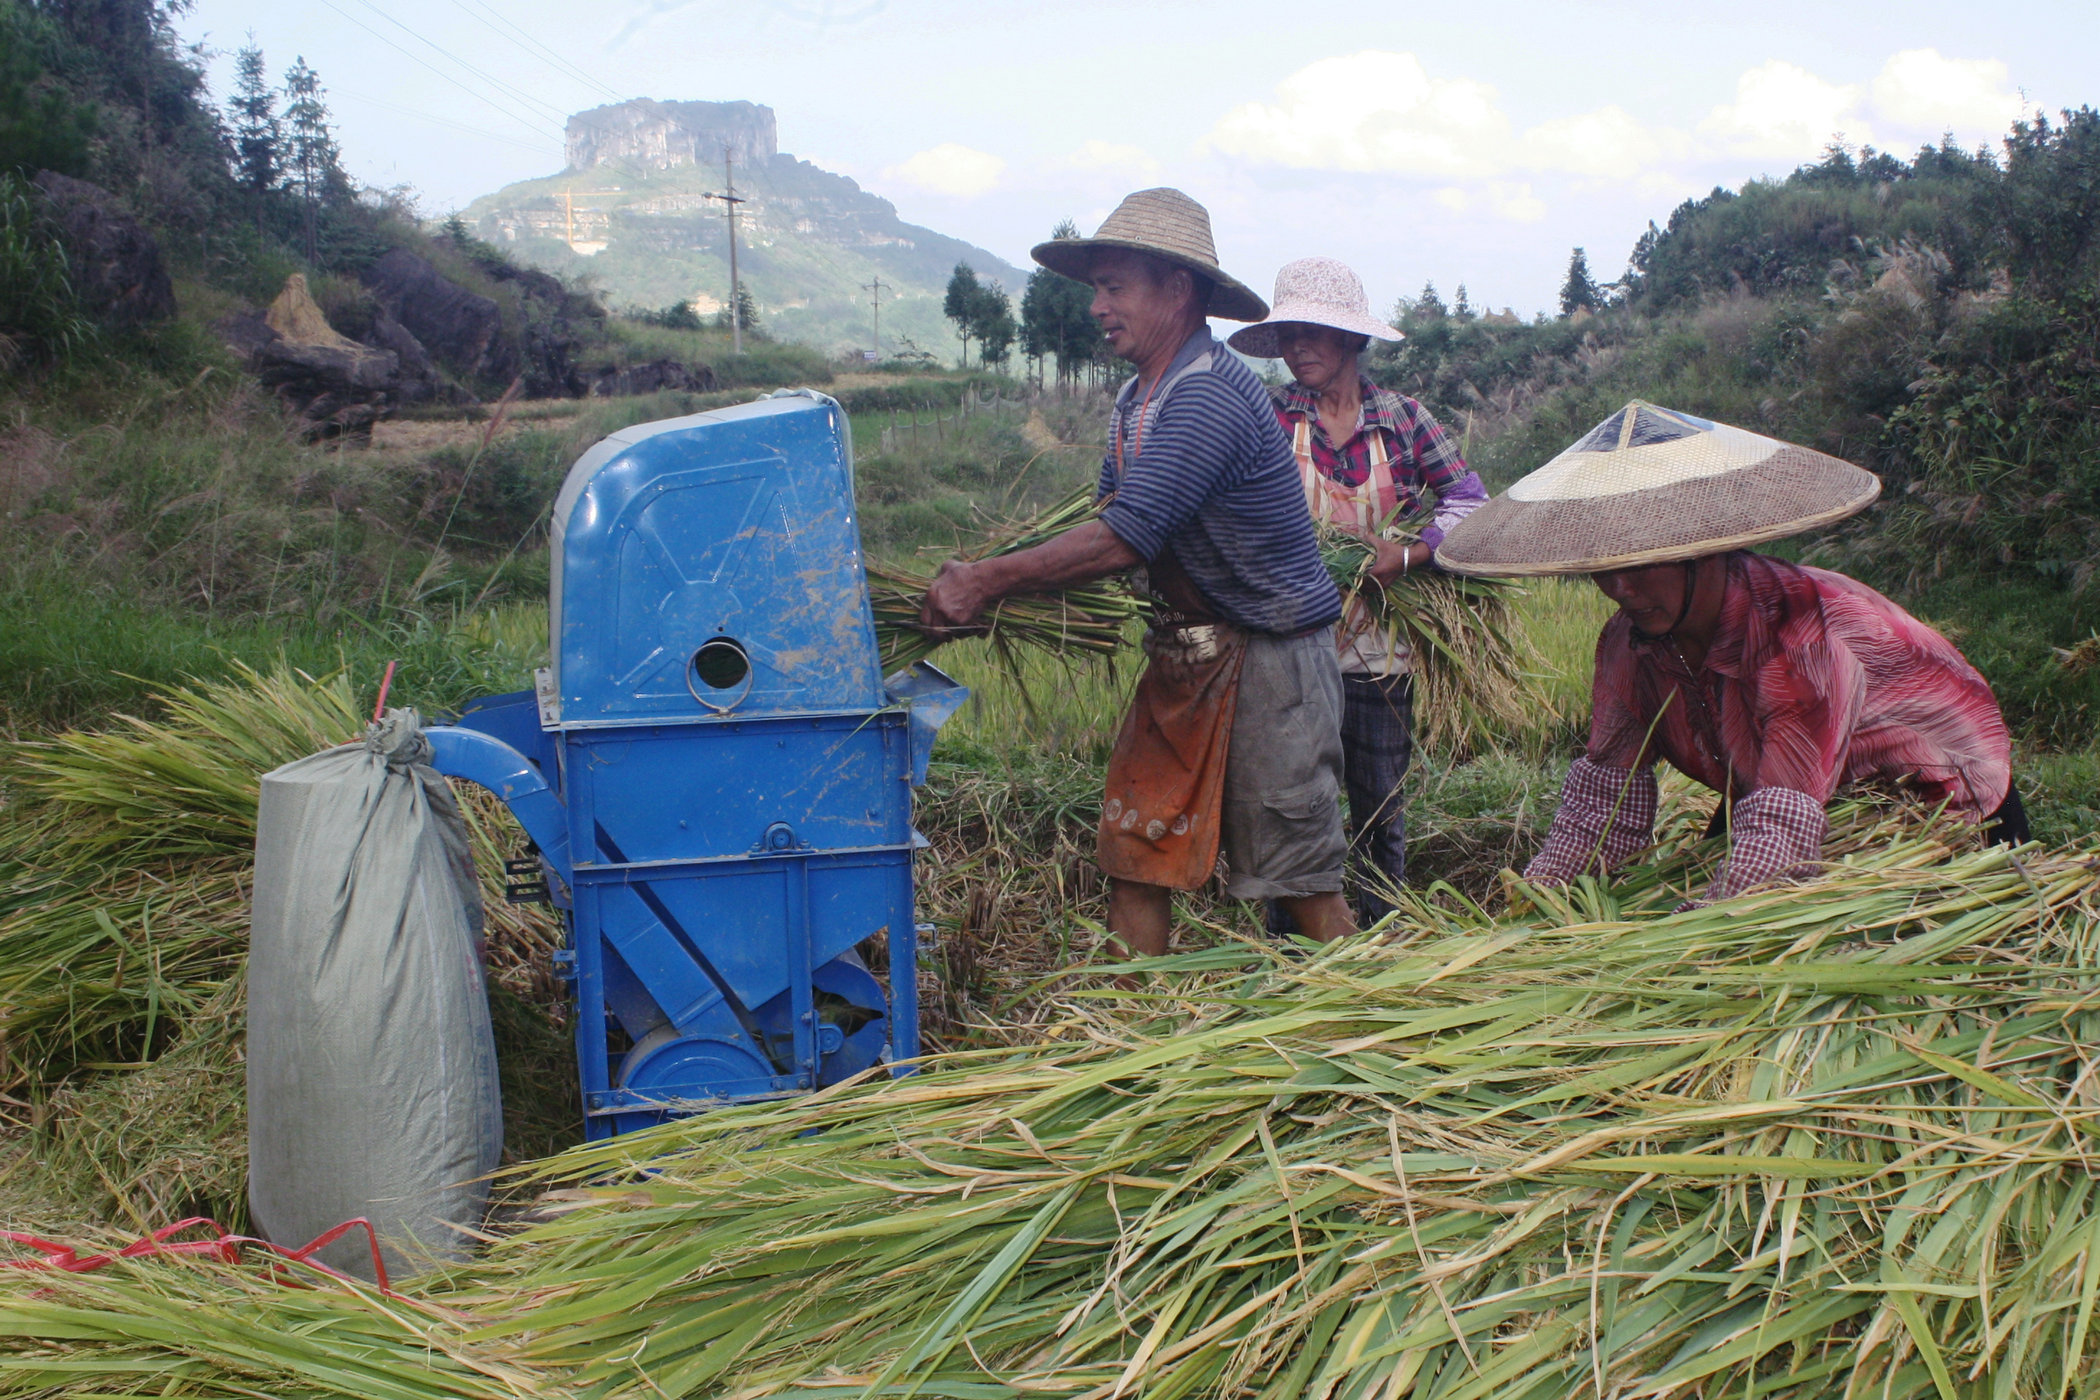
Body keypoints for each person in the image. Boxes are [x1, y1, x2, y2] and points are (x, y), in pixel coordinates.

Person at [919, 188, 1355, 959]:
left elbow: (1126, 535)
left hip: (1271, 660)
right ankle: (1126, 1033)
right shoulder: (1135, 400)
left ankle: (1381, 1020)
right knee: (1136, 852)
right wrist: (1015, 583)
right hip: (1185, 656)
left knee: (1298, 874)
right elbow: (1113, 515)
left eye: (1114, 286)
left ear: (1177, 290)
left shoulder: (1210, 395)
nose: (1096, 306)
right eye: (1096, 288)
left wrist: (985, 582)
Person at [1434, 400, 2023, 904]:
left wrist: (1703, 936)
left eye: (1640, 565)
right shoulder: (1628, 644)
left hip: (1927, 806)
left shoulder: (1797, 637)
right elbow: (1603, 806)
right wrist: (1540, 900)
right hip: (1776, 788)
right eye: (1603, 570)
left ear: (1702, 549)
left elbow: (1779, 846)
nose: (1620, 589)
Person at [1225, 258, 1487, 923]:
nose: (1299, 348)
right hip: (1287, 648)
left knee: (1378, 806)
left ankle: (1379, 940)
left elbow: (1468, 500)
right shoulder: (1267, 418)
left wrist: (1409, 553)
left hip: (1380, 650)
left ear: (1351, 340)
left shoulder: (1402, 420)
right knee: (1290, 808)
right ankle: (1290, 952)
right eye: (1289, 335)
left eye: (1315, 332)